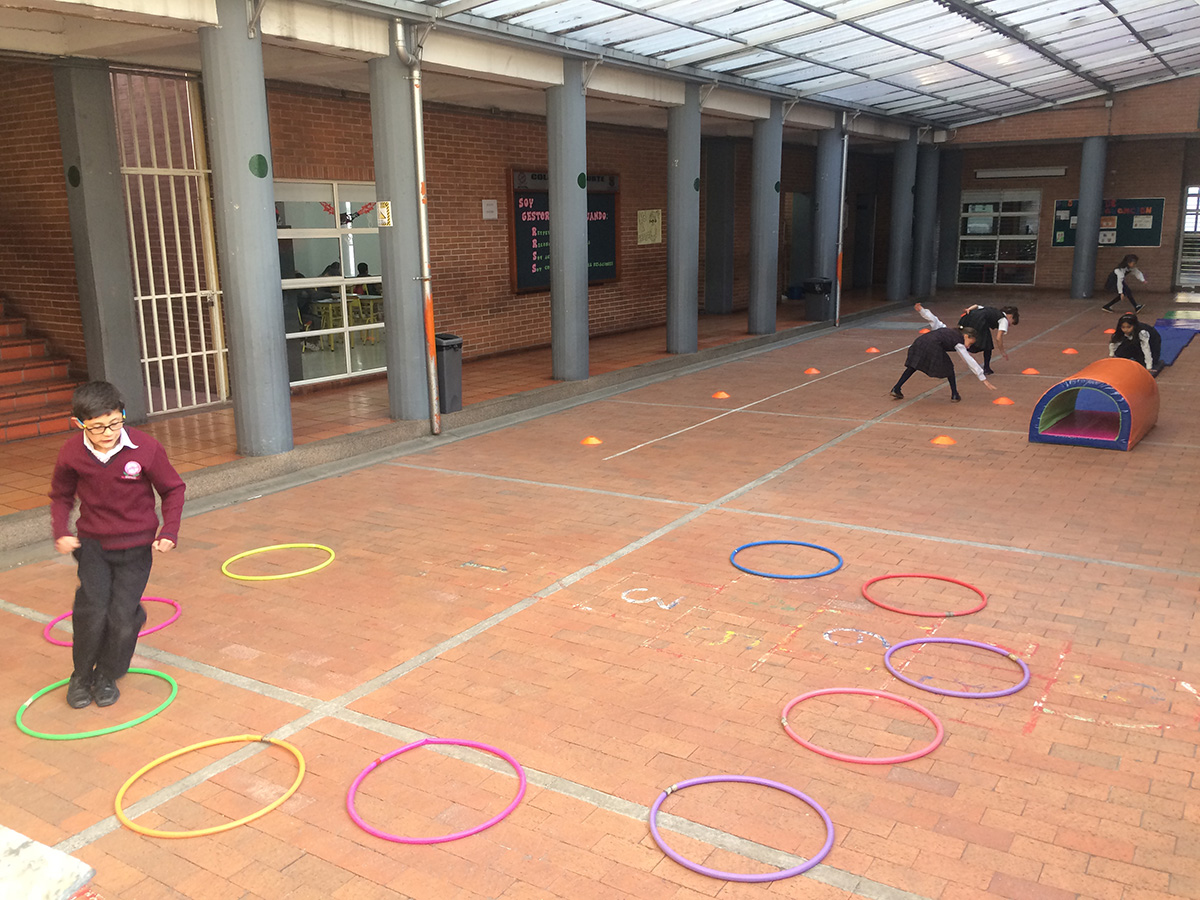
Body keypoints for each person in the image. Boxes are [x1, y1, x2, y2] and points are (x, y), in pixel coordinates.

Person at [49, 382, 185, 709]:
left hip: (137, 546)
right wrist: (60, 530)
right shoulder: (71, 452)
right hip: (93, 545)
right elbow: (61, 495)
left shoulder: (145, 447)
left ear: (122, 414)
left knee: (123, 617)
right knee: (92, 610)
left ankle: (107, 674)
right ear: (80, 424)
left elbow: (173, 489)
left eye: (115, 422)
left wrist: (169, 530)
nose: (108, 432)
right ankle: (81, 675)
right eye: (97, 427)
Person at [891, 304, 997, 402]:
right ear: (966, 336)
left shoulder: (945, 329)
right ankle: (954, 394)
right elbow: (969, 360)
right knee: (949, 369)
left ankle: (896, 388)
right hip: (932, 346)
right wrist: (982, 378)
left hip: (920, 341)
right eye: (970, 343)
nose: (968, 346)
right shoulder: (959, 342)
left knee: (913, 366)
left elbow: (933, 319)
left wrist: (922, 311)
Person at [957, 304, 1019, 375]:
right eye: (1012, 322)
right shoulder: (1003, 320)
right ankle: (986, 368)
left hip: (967, 317)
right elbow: (998, 338)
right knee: (988, 345)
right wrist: (1002, 352)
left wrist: (969, 309)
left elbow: (977, 306)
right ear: (1010, 316)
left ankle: (966, 348)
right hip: (979, 322)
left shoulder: (993, 311)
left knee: (971, 338)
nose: (1010, 325)